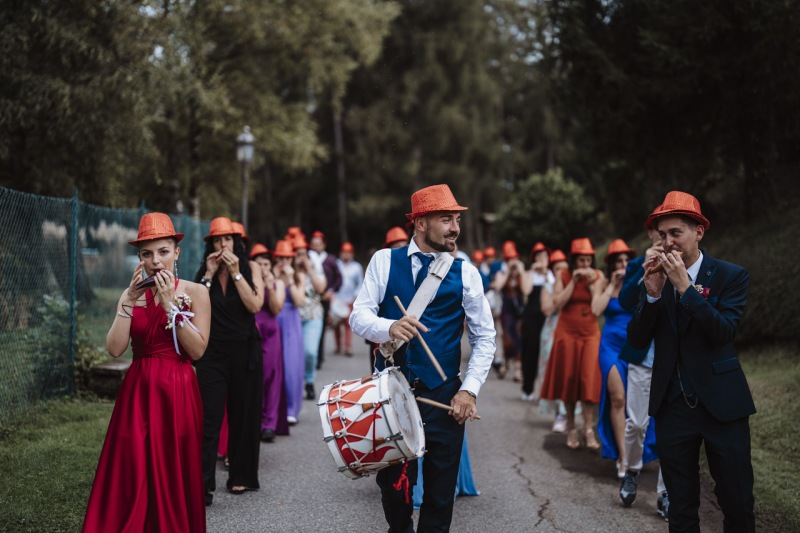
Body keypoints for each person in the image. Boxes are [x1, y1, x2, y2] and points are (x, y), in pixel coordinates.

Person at [350, 184, 495, 532]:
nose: (455, 228)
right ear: (421, 224)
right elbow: (358, 316)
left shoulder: (466, 273)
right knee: (393, 489)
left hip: (444, 394)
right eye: (446, 219)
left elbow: (485, 338)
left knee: (441, 496)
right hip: (388, 395)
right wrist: (390, 327)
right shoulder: (384, 261)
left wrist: (469, 391)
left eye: (456, 219)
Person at [628, 191, 755, 531]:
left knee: (737, 501)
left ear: (698, 231)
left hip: (723, 405)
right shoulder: (657, 278)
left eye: (675, 233)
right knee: (680, 507)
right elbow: (637, 340)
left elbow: (723, 332)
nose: (667, 242)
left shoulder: (731, 276)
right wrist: (652, 295)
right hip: (673, 408)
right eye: (662, 234)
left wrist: (685, 288)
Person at [83, 213, 210, 532]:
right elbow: (115, 349)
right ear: (139, 258)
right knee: (133, 467)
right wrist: (127, 302)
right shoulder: (131, 295)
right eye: (147, 254)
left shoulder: (196, 292)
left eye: (163, 251)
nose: (156, 261)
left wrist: (170, 306)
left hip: (178, 390)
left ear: (176, 252)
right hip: (138, 392)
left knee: (172, 467)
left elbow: (197, 351)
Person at [193, 217, 264, 505]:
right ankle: (203, 484)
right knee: (208, 418)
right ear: (211, 244)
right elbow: (193, 306)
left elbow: (255, 305)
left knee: (243, 415)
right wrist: (209, 274)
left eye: (227, 240)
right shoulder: (203, 272)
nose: (222, 245)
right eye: (217, 241)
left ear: (236, 243)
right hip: (211, 353)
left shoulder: (251, 268)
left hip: (244, 352)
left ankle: (241, 476)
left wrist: (236, 273)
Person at [618, 217, 664, 513]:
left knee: (673, 429)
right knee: (636, 422)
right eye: (659, 232)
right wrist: (644, 269)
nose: (664, 238)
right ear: (650, 233)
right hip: (643, 356)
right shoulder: (637, 264)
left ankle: (666, 492)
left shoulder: (687, 264)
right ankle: (632, 469)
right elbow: (624, 302)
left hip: (675, 358)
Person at [540, 238, 605, 450]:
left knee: (588, 378)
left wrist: (590, 283)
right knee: (568, 379)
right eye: (581, 260)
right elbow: (557, 303)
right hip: (566, 330)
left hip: (589, 332)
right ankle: (571, 426)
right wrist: (573, 283)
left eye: (588, 260)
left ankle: (588, 428)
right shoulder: (563, 275)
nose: (585, 265)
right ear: (574, 261)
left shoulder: (598, 276)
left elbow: (597, 308)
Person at [593, 239, 637, 479]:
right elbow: (595, 310)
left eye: (626, 259)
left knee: (635, 403)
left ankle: (635, 452)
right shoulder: (604, 282)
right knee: (618, 399)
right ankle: (623, 457)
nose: (623, 263)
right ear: (611, 264)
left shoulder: (638, 281)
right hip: (609, 346)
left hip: (635, 346)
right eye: (618, 260)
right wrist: (612, 285)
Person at [250, 243, 290, 442]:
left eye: (266, 264)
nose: (264, 268)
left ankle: (269, 424)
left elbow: (276, 309)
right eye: (260, 264)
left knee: (272, 375)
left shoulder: (278, 283)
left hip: (272, 332)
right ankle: (255, 420)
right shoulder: (247, 282)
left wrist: (268, 286)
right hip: (253, 331)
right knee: (256, 376)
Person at [536, 249, 570, 432]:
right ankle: (560, 412)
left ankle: (570, 412)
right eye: (557, 269)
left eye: (564, 269)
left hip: (571, 331)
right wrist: (559, 291)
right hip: (552, 332)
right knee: (556, 372)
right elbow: (547, 309)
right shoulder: (547, 287)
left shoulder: (573, 285)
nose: (561, 273)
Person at [273, 239, 305, 425]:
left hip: (291, 322)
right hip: (276, 320)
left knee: (291, 365)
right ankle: (275, 407)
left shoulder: (298, 276)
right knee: (275, 365)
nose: (284, 261)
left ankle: (292, 408)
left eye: (287, 257)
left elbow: (299, 300)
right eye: (281, 257)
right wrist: (276, 279)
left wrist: (290, 280)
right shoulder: (272, 275)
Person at [292, 236, 327, 400]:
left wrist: (310, 271)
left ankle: (310, 381)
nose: (301, 258)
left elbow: (321, 288)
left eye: (304, 254)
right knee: (293, 355)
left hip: (313, 315)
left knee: (310, 352)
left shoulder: (315, 267)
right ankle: (295, 385)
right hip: (293, 317)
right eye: (298, 254)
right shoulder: (289, 271)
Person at [520, 242, 552, 401]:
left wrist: (546, 273)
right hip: (531, 317)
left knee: (546, 353)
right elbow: (526, 291)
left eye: (544, 256)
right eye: (538, 257)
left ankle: (545, 391)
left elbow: (554, 291)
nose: (541, 259)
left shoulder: (551, 275)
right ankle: (528, 387)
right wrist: (533, 271)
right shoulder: (528, 274)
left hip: (547, 318)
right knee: (530, 351)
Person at [492, 241, 528, 382]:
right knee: (507, 340)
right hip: (506, 310)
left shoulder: (521, 275)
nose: (512, 262)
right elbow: (498, 286)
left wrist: (521, 271)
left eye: (514, 259)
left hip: (519, 309)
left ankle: (518, 369)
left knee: (519, 338)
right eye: (509, 259)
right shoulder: (502, 273)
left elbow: (525, 290)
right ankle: (506, 365)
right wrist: (508, 272)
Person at [309, 231, 342, 370]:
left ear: (324, 245)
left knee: (321, 327)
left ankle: (319, 356)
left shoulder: (330, 260)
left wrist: (331, 291)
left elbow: (338, 278)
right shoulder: (308, 258)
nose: (316, 247)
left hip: (325, 298)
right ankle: (311, 355)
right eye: (314, 244)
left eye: (319, 244)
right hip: (309, 298)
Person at [332, 241, 363, 356]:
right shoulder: (336, 264)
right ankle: (338, 345)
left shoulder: (356, 267)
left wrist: (356, 297)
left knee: (348, 324)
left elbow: (360, 283)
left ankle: (347, 347)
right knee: (336, 324)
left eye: (348, 253)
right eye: (344, 253)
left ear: (352, 254)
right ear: (340, 253)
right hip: (337, 298)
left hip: (350, 299)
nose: (346, 255)